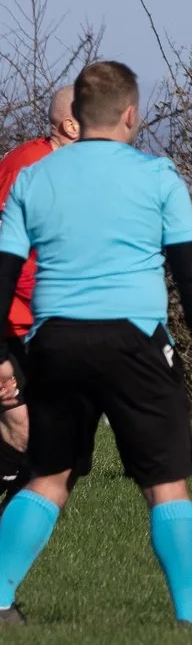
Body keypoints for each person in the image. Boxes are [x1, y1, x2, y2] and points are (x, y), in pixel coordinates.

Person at [0, 61, 192, 628]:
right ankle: (188, 620)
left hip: (55, 343)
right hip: (136, 343)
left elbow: (2, 273)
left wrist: (3, 350)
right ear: (131, 115)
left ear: (74, 116)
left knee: (49, 476)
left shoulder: (34, 178)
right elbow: (191, 271)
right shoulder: (158, 176)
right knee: (166, 484)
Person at [0, 86, 77, 490]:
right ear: (70, 125)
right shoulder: (27, 167)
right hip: (9, 322)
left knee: (68, 452)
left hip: (45, 325)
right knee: (25, 434)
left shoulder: (79, 173)